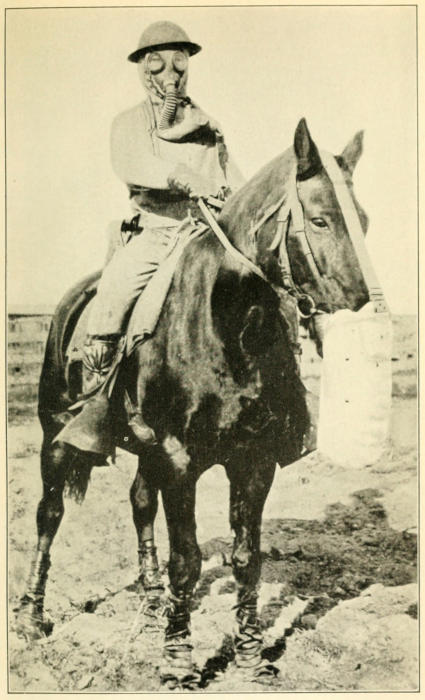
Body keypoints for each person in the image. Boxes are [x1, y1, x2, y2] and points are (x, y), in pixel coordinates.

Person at [58, 21, 245, 450]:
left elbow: (232, 174)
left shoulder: (208, 125)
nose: (170, 73)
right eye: (159, 63)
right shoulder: (129, 122)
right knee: (116, 289)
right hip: (157, 232)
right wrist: (179, 176)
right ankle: (97, 401)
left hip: (205, 233)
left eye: (179, 61)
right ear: (145, 67)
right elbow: (132, 163)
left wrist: (234, 195)